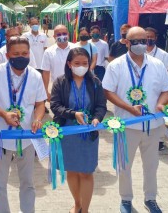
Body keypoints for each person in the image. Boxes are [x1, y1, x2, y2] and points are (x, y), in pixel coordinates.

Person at [102, 27, 168, 213]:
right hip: (126, 124)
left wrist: (160, 104)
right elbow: (108, 91)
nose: (142, 45)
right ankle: (126, 199)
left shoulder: (157, 64)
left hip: (153, 125)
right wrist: (128, 108)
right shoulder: (116, 65)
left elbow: (167, 89)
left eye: (145, 41)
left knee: (151, 165)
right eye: (136, 42)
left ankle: (150, 199)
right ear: (126, 42)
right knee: (124, 165)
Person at [0, 37, 47, 213]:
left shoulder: (35, 75)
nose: (21, 57)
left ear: (29, 54)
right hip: (0, 138)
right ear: (8, 54)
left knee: (27, 183)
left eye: (25, 53)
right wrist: (3, 114)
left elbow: (40, 103)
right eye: (16, 54)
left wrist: (38, 118)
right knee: (0, 184)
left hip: (26, 137)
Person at [50, 47, 107, 213]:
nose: (81, 66)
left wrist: (97, 118)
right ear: (69, 64)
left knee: (86, 172)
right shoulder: (60, 82)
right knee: (72, 170)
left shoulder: (95, 82)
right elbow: (55, 106)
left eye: (85, 63)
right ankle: (77, 203)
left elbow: (101, 106)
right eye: (77, 63)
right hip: (67, 132)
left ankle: (86, 209)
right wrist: (73, 114)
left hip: (88, 132)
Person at [145, 27, 168, 151]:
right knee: (144, 113)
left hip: (158, 90)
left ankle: (159, 141)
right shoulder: (138, 53)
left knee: (158, 115)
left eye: (151, 36)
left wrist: (164, 89)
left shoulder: (163, 55)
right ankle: (145, 138)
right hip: (142, 91)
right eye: (146, 36)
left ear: (156, 38)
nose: (149, 39)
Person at [41, 24, 76, 101]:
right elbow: (46, 72)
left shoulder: (76, 49)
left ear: (68, 34)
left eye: (64, 34)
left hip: (76, 86)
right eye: (59, 34)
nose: (62, 36)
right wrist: (45, 91)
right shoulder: (48, 52)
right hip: (58, 88)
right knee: (59, 111)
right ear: (54, 37)